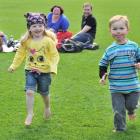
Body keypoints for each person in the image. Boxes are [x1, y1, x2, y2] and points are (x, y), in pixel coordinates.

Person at [8, 12, 59, 126]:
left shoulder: (48, 41)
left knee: (44, 93)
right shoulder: (26, 41)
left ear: (44, 26)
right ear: (29, 28)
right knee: (29, 92)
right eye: (34, 26)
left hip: (44, 72)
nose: (37, 28)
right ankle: (30, 114)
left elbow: (55, 55)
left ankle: (47, 107)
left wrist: (53, 68)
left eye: (40, 25)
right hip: (30, 70)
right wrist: (13, 66)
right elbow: (20, 54)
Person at [99, 15, 140, 132]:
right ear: (110, 31)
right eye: (115, 29)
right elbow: (102, 65)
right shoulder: (110, 49)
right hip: (116, 86)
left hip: (132, 85)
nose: (118, 31)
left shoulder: (134, 46)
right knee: (118, 109)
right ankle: (120, 128)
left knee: (132, 105)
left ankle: (131, 111)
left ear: (127, 29)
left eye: (121, 28)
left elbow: (139, 58)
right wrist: (103, 76)